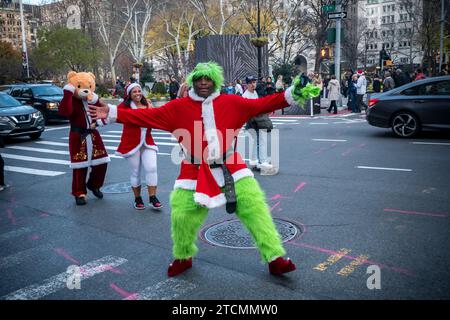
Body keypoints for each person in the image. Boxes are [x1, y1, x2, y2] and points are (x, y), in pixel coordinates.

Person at [89, 62, 320, 277]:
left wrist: (293, 93)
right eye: (198, 79)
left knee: (255, 206)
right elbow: (146, 115)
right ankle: (183, 256)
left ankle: (274, 258)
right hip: (193, 170)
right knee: (181, 216)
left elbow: (265, 103)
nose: (203, 83)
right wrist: (111, 113)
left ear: (215, 81)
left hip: (231, 167)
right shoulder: (177, 107)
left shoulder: (232, 102)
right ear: (192, 81)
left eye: (207, 79)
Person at [116, 83, 162, 210]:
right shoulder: (124, 107)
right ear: (129, 95)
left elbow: (157, 119)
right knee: (135, 172)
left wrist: (152, 110)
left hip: (147, 142)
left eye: (139, 91)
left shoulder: (147, 105)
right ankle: (138, 198)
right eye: (134, 91)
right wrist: (96, 122)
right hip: (131, 143)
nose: (137, 93)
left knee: (152, 167)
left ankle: (153, 197)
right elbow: (112, 115)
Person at [243, 76, 273, 170]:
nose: (253, 84)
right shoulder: (245, 96)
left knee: (257, 142)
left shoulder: (256, 92)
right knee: (261, 141)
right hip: (253, 121)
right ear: (247, 84)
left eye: (254, 82)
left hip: (258, 120)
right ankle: (262, 162)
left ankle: (256, 161)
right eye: (251, 83)